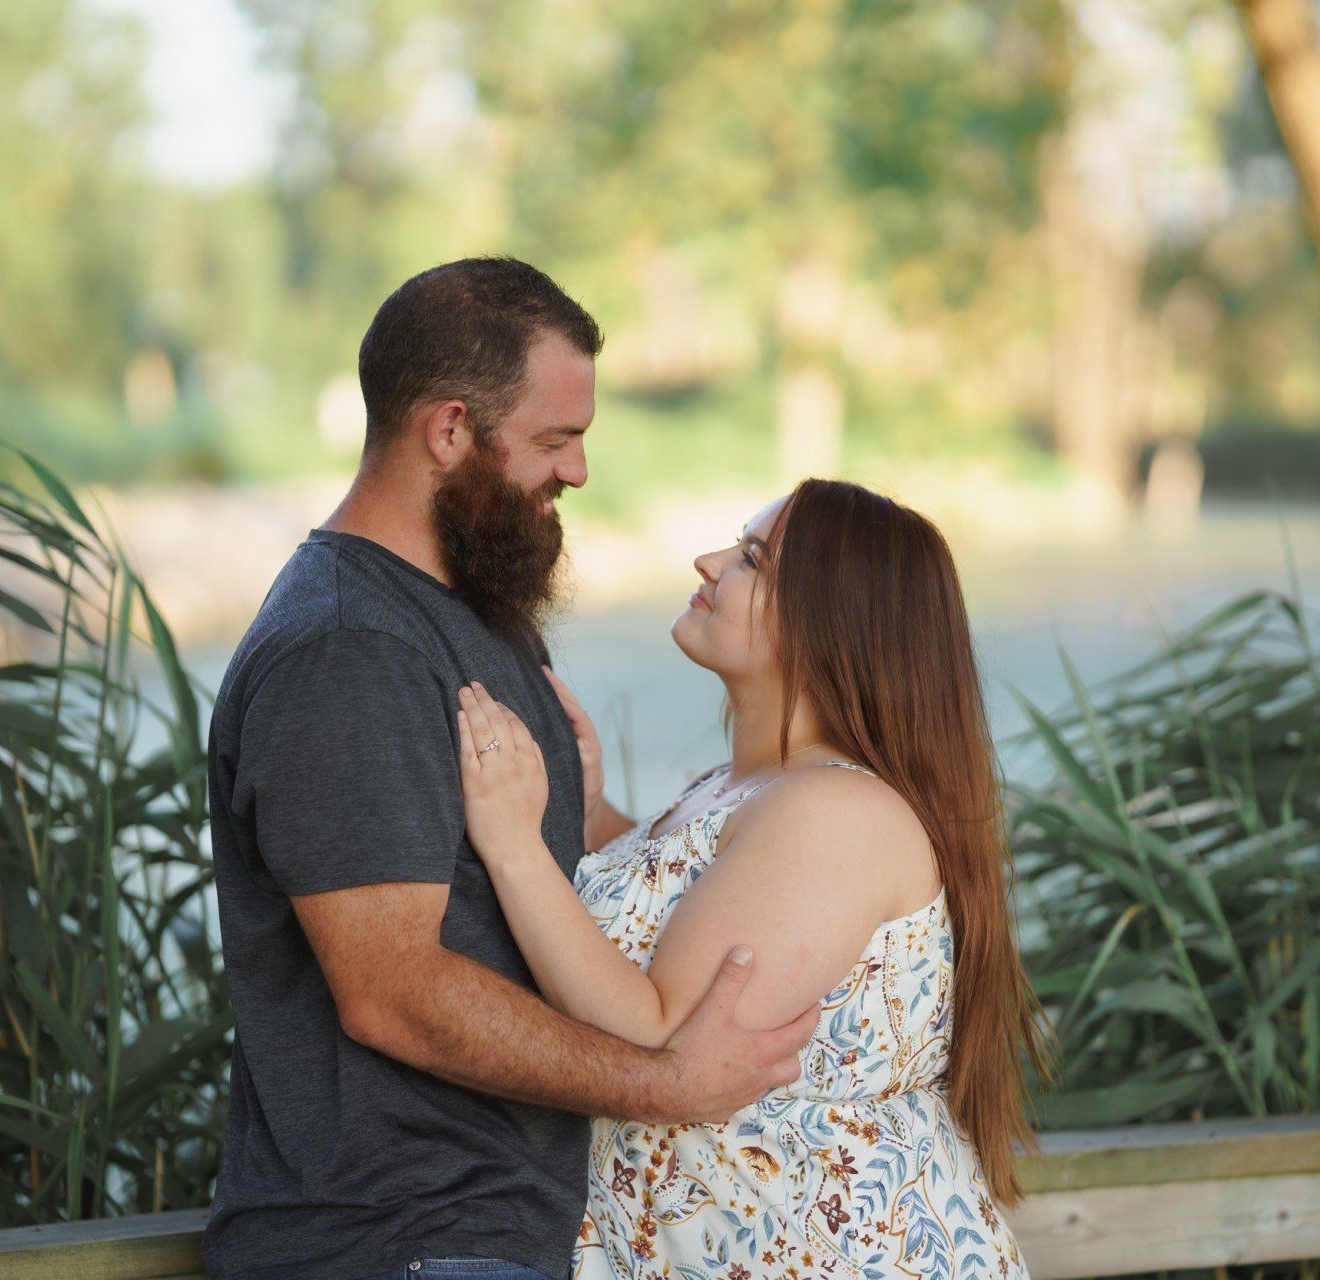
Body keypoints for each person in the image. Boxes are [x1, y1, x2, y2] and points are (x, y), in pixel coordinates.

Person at [202, 257, 820, 1280]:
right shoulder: (349, 651)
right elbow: (392, 991)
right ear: (448, 430)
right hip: (392, 1242)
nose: (577, 470)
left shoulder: (473, 611)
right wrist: (668, 1082)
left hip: (492, 1238)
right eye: (554, 440)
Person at [452, 478, 1058, 1278]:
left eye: (750, 559)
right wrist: (598, 816)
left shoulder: (834, 814)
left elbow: (659, 1030)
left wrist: (513, 845)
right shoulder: (750, 789)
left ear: (827, 622)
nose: (707, 563)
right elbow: (702, 913)